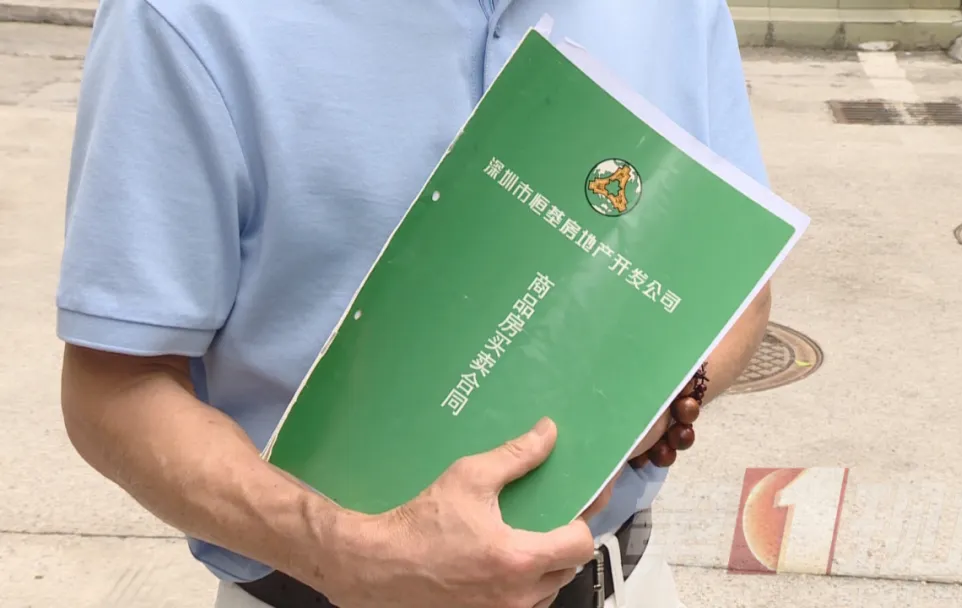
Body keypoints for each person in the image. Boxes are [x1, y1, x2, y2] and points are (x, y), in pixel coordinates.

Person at [55, 0, 773, 606]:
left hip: (618, 582)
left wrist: (666, 396)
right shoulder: (185, 16)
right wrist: (347, 551)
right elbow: (114, 385)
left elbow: (739, 276)